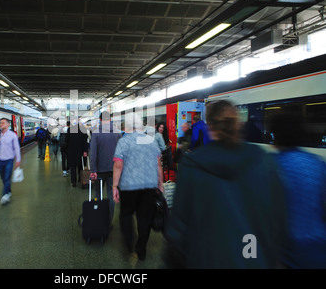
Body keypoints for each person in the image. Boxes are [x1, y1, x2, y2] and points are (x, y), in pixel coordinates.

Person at [164, 100, 287, 268]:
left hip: (206, 259)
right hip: (253, 257)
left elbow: (178, 228)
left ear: (210, 126)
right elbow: (277, 217)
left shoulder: (192, 164)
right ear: (239, 124)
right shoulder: (263, 160)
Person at [269, 112, 326, 268]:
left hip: (287, 250)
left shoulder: (272, 165)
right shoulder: (318, 163)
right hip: (319, 246)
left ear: (276, 136)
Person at [113, 113, 164, 260]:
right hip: (149, 185)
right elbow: (158, 165)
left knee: (126, 214)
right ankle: (141, 249)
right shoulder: (152, 141)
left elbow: (118, 165)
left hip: (129, 185)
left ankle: (129, 245)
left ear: (128, 126)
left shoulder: (124, 141)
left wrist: (115, 186)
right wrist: (160, 184)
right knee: (145, 217)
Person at [90, 111, 122, 226]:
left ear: (100, 119)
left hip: (99, 170)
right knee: (111, 195)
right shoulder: (118, 133)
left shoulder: (96, 133)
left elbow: (93, 154)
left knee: (98, 195)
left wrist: (93, 170)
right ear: (110, 119)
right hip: (113, 170)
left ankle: (98, 220)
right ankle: (109, 222)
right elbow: (120, 154)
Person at [0, 118, 21, 205]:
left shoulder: (12, 135)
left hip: (9, 159)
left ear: (8, 125)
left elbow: (16, 148)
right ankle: (8, 190)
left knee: (7, 177)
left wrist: (18, 160)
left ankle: (5, 195)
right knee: (3, 177)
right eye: (0, 123)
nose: (1, 124)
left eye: (3, 123)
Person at [67, 119, 88, 187]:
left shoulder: (69, 130)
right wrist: (85, 151)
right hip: (80, 152)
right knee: (80, 166)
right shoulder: (83, 130)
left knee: (73, 167)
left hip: (71, 152)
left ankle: (73, 182)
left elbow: (66, 141)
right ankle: (80, 179)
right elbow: (85, 142)